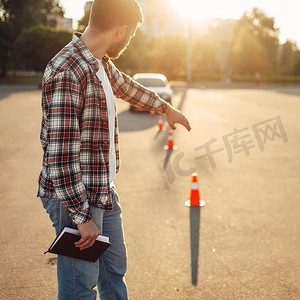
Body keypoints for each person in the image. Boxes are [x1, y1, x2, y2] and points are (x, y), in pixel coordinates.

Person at [37, 0, 191, 298]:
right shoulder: (67, 70)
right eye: (131, 35)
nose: (129, 41)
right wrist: (82, 218)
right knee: (80, 286)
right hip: (75, 198)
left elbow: (125, 86)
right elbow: (60, 157)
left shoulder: (99, 62)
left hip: (102, 189)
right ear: (120, 30)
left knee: (113, 272)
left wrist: (165, 107)